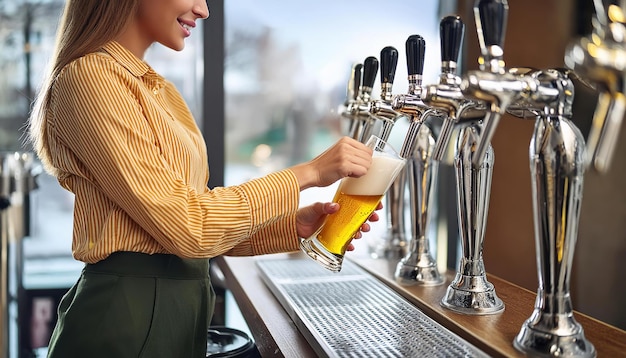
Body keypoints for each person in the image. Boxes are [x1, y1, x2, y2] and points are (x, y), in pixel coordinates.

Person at [27, 0, 381, 357]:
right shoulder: (91, 78)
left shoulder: (159, 91)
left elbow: (192, 222)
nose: (203, 10)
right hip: (126, 321)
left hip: (175, 311)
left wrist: (293, 228)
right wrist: (310, 173)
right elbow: (189, 227)